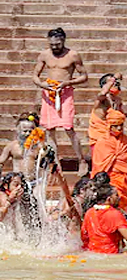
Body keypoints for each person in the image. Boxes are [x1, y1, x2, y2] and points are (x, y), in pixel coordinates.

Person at [31, 27, 89, 174]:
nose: (55, 47)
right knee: (50, 130)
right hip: (49, 93)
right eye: (52, 45)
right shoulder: (44, 54)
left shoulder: (73, 55)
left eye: (57, 44)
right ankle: (55, 162)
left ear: (63, 41)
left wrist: (68, 83)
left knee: (69, 128)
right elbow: (35, 76)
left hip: (65, 93)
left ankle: (81, 160)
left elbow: (84, 76)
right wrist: (42, 84)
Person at [91, 110, 127, 213]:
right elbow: (99, 165)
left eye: (121, 125)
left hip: (124, 180)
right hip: (109, 180)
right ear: (109, 126)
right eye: (116, 125)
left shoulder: (126, 141)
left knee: (126, 210)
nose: (119, 128)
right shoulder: (102, 142)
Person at [81, 173, 127, 254]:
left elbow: (84, 236)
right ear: (109, 199)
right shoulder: (114, 214)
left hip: (93, 254)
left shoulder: (90, 212)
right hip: (111, 254)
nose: (119, 197)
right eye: (116, 195)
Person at [0, 172, 41, 244]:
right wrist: (9, 200)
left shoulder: (20, 199)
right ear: (6, 186)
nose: (19, 188)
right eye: (16, 185)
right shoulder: (2, 196)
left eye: (21, 185)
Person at [88, 73, 124, 148]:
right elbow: (103, 93)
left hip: (115, 138)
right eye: (112, 83)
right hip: (100, 138)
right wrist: (113, 78)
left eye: (117, 83)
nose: (115, 84)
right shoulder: (101, 100)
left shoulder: (118, 101)